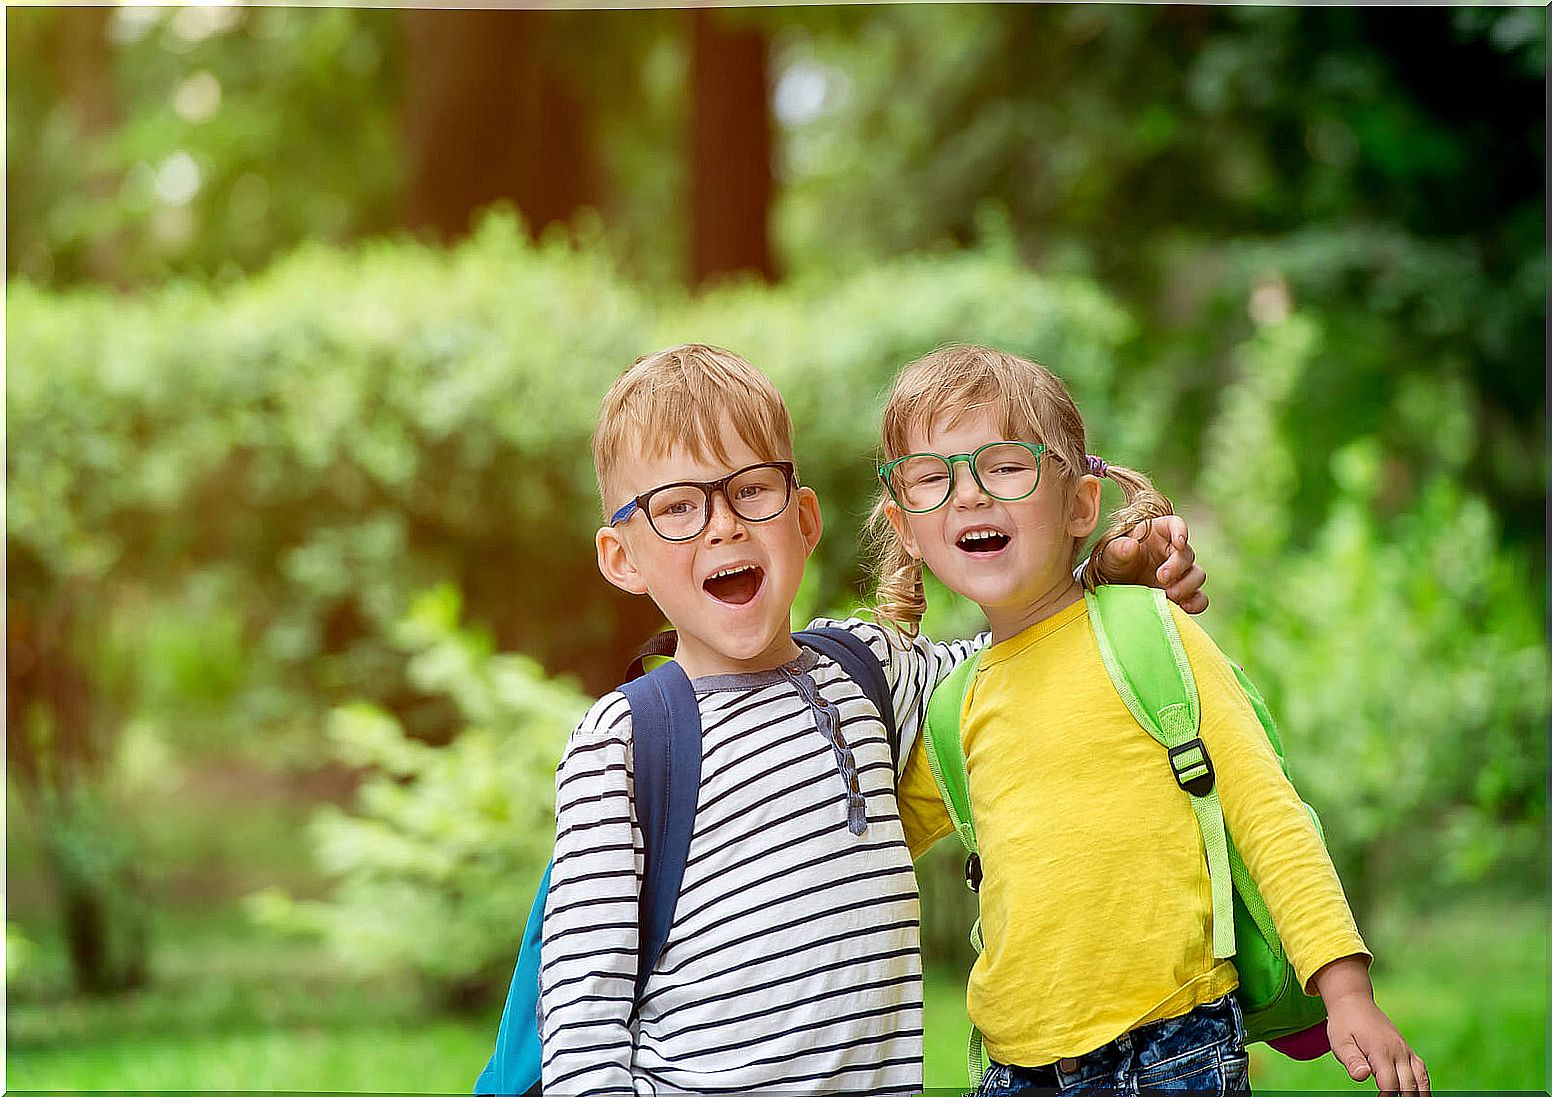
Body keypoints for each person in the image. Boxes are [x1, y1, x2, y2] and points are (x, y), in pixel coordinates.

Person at [537, 344, 1206, 1093]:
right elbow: (582, 1028)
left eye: (751, 490)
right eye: (678, 507)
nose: (722, 526)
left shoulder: (867, 670)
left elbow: (1022, 652)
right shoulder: (623, 744)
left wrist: (1105, 577)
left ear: (805, 518)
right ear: (622, 557)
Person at [876, 344, 1429, 1095]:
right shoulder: (953, 707)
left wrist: (1345, 989)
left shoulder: (1148, 633)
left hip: (1173, 1051)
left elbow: (1269, 813)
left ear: (1080, 503)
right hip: (1013, 1067)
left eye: (1005, 466)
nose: (969, 496)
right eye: (932, 479)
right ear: (905, 526)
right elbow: (867, 848)